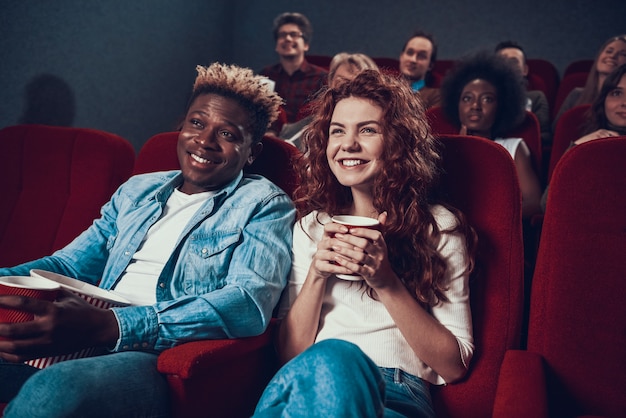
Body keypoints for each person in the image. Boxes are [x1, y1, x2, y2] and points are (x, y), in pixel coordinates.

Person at [0, 62, 296, 417]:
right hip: (80, 332)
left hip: (152, 355)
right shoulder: (138, 189)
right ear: (182, 126)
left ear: (252, 152)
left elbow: (247, 303)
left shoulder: (264, 203)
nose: (205, 140)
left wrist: (114, 326)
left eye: (228, 134)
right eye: (197, 123)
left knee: (56, 388)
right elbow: (68, 264)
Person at [252, 69, 477, 417]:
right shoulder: (311, 227)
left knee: (336, 356)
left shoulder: (440, 227)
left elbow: (455, 364)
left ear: (398, 141)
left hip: (396, 395)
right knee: (325, 364)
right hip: (309, 389)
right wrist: (316, 273)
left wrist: (385, 280)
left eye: (368, 130)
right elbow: (290, 357)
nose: (348, 144)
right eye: (337, 131)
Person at [440, 51, 543, 219]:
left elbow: (534, 202)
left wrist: (494, 219)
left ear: (501, 107)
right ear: (456, 104)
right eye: (467, 98)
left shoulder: (514, 147)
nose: (475, 105)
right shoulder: (444, 147)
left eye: (487, 99)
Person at [541, 63, 626, 211]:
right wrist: (577, 148)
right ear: (603, 100)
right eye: (616, 93)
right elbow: (548, 205)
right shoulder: (587, 143)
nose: (624, 103)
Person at [279, 52, 379, 149]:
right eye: (341, 82)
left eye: (357, 83)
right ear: (330, 83)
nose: (347, 89)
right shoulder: (301, 128)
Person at [260, 12, 328, 124]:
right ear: (276, 45)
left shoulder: (322, 77)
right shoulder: (266, 75)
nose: (287, 38)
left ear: (306, 45)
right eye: (282, 35)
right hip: (271, 137)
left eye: (294, 34)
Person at [553, 34, 626, 126]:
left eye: (623, 54)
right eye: (609, 51)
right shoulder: (576, 95)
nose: (612, 56)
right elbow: (557, 132)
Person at [495, 40, 552, 145]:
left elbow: (545, 136)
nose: (507, 66)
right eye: (502, 61)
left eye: (513, 62)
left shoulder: (536, 98)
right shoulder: (484, 99)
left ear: (525, 70)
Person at [398, 29, 441, 109]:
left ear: (430, 65)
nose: (413, 60)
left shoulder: (436, 96)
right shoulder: (385, 90)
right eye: (410, 53)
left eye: (422, 56)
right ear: (401, 56)